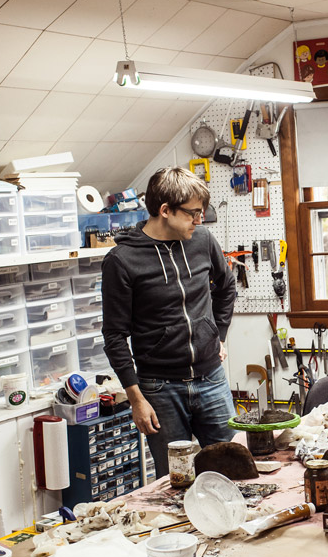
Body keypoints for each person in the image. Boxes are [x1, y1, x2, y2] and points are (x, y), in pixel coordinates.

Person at [102, 167, 237, 475]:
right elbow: (114, 336)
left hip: (211, 379)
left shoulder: (202, 240)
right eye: (192, 213)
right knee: (177, 482)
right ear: (165, 211)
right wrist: (136, 399)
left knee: (235, 469)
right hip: (160, 388)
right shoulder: (122, 261)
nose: (199, 220)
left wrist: (220, 336)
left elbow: (226, 286)